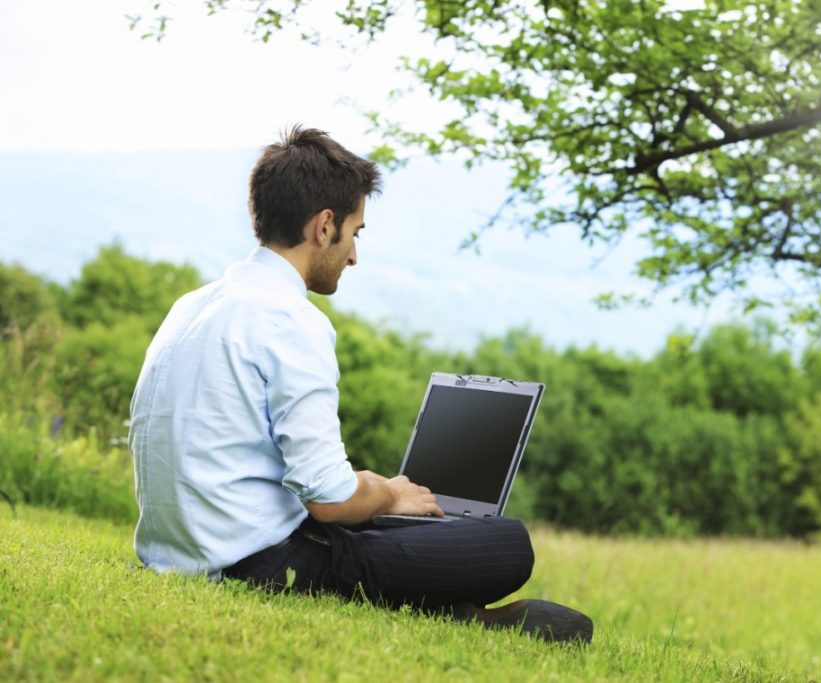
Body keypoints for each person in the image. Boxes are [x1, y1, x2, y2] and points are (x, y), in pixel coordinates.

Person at [128, 125, 592, 645]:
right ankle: (453, 610)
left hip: (175, 552)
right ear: (324, 226)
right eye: (355, 232)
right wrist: (387, 492)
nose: (353, 256)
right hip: (259, 564)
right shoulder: (290, 320)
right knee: (506, 543)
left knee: (395, 521)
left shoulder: (191, 305)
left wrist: (374, 492)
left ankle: (447, 605)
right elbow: (328, 501)